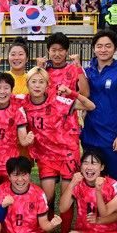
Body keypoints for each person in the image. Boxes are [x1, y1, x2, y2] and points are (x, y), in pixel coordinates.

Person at [21, 67, 95, 206]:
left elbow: (90, 106)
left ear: (47, 85)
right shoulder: (21, 102)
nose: (37, 85)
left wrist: (72, 92)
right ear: (27, 84)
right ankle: (47, 226)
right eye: (34, 81)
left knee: (67, 196)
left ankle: (66, 229)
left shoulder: (58, 101)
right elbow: (0, 98)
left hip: (67, 153)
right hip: (46, 156)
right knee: (47, 197)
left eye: (41, 82)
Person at [81, 30, 117, 187]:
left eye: (108, 46)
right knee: (91, 181)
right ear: (94, 49)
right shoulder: (86, 72)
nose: (103, 50)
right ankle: (94, 212)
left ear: (115, 48)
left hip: (113, 138)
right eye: (99, 46)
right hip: (90, 136)